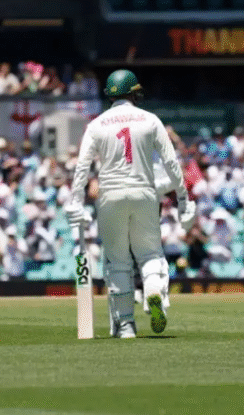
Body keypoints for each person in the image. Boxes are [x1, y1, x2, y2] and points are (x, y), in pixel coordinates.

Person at [64, 69, 195, 338]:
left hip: (110, 195)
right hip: (144, 192)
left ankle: (125, 325)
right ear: (134, 92)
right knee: (149, 254)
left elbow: (82, 167)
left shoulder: (97, 124)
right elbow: (171, 162)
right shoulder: (150, 120)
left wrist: (76, 201)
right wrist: (183, 197)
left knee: (117, 261)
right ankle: (154, 292)